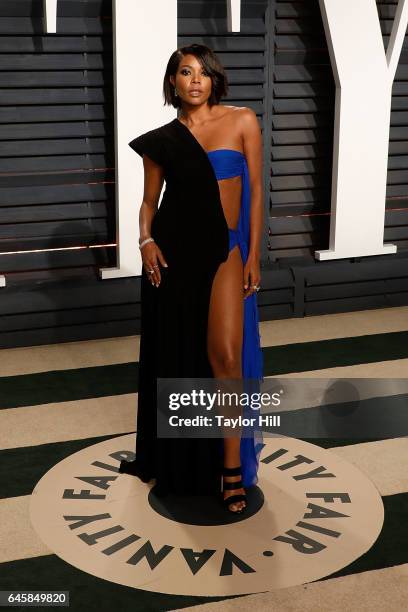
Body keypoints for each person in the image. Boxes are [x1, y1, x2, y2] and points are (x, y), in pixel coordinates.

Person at [119, 43, 264, 513]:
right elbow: (148, 202)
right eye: (185, 72)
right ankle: (180, 460)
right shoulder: (162, 140)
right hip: (176, 254)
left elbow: (258, 192)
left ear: (214, 78)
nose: (195, 80)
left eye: (203, 72)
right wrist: (145, 241)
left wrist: (254, 255)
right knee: (178, 354)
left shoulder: (242, 121)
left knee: (225, 356)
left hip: (226, 251)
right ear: (173, 82)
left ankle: (231, 471)